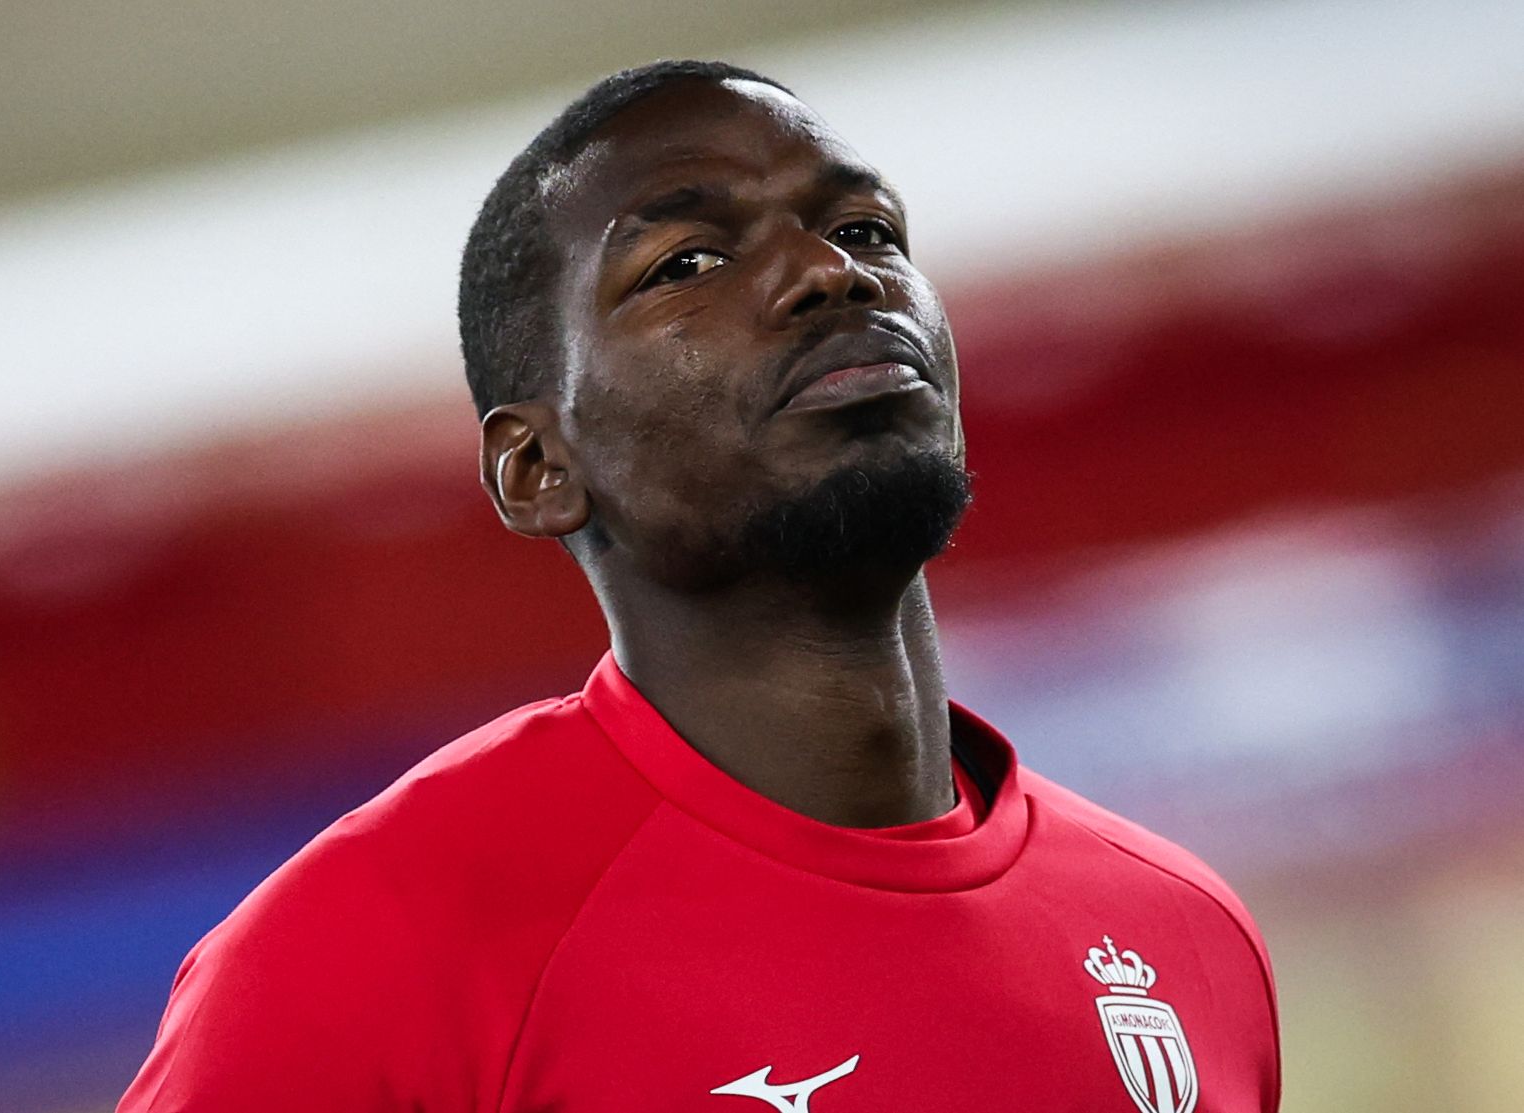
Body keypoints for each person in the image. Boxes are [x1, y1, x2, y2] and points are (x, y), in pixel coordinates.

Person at [117, 60, 1279, 1113]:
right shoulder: (364, 956)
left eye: (865, 229)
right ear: (538, 468)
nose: (828, 273)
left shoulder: (1183, 934)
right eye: (686, 263)